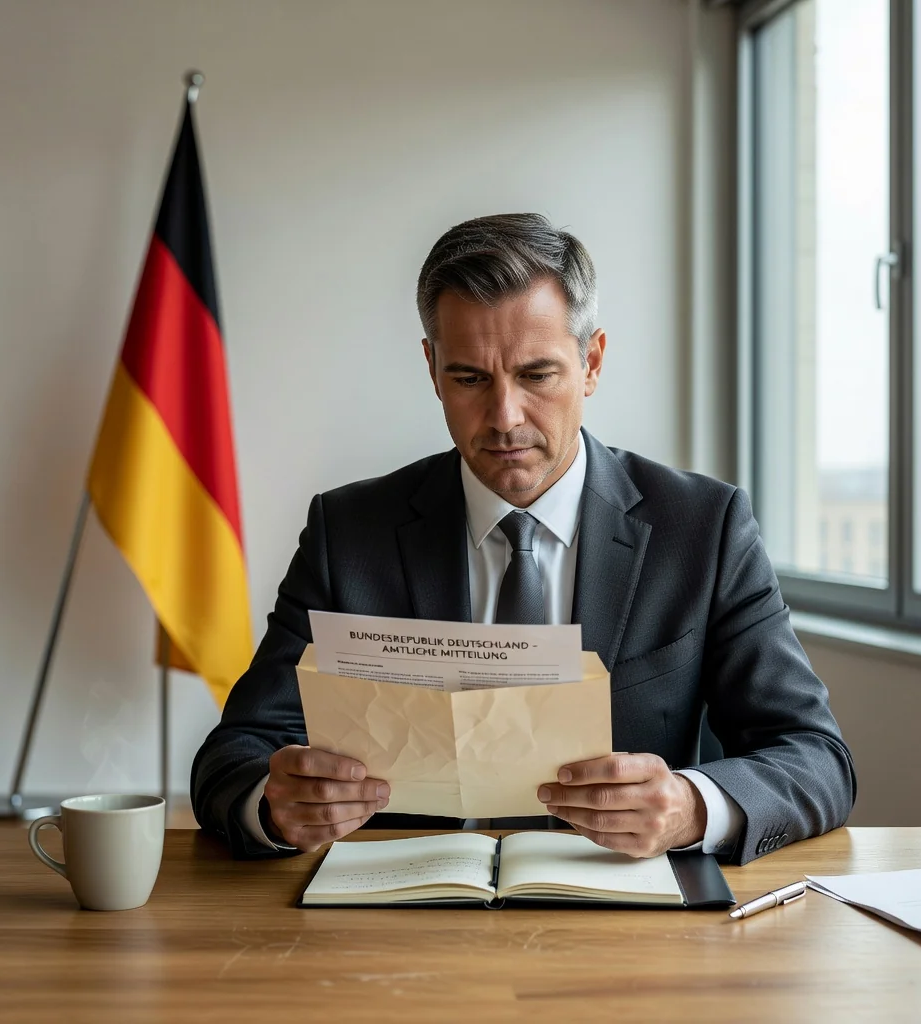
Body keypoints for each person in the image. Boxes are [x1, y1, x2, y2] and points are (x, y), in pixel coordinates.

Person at [191, 213, 855, 864]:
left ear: (591, 363)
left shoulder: (703, 530)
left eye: (536, 376)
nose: (505, 417)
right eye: (469, 379)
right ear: (432, 369)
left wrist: (689, 806)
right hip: (402, 918)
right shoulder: (351, 532)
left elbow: (816, 757)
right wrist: (274, 803)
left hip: (631, 926)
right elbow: (236, 753)